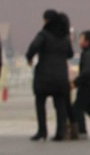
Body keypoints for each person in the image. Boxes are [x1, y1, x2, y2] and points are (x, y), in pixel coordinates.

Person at [26, 10, 73, 141]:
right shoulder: (65, 36)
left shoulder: (44, 34)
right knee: (60, 104)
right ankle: (60, 133)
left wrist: (29, 57)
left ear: (47, 20)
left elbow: (33, 47)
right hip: (60, 75)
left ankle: (42, 131)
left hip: (44, 75)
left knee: (40, 102)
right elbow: (70, 54)